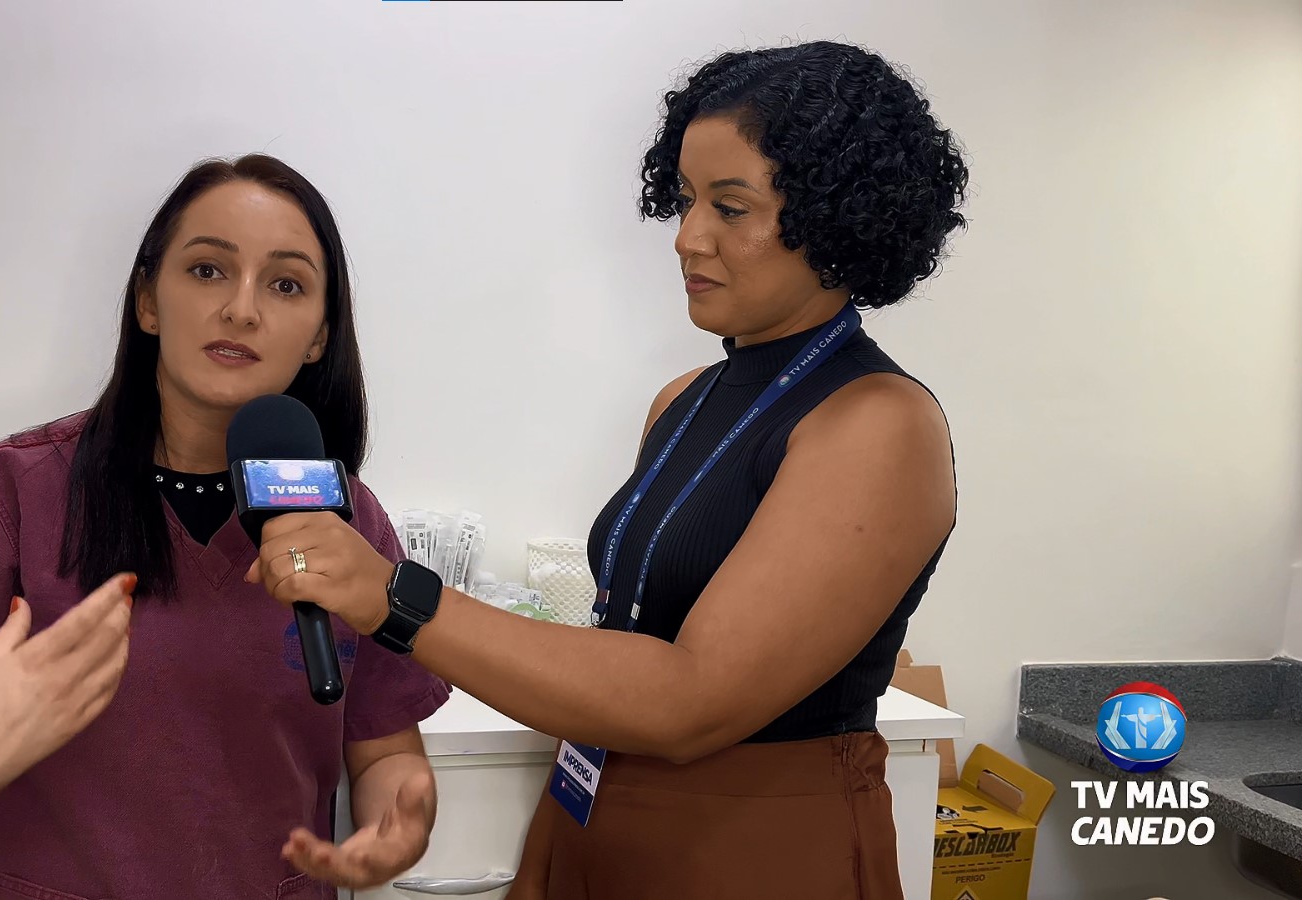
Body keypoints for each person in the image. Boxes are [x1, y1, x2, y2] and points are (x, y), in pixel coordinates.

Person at [245, 41, 967, 899]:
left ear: (840, 217)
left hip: (756, 848)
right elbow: (620, 651)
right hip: (605, 816)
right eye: (686, 199)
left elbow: (689, 701)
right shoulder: (683, 400)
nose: (688, 237)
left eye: (731, 207)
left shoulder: (879, 423)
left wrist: (396, 598)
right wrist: (554, 847)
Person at [0, 154, 451, 900]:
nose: (242, 310)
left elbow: (385, 754)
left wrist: (397, 823)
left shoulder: (350, 522)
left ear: (320, 334)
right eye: (208, 270)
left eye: (286, 284)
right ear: (148, 302)